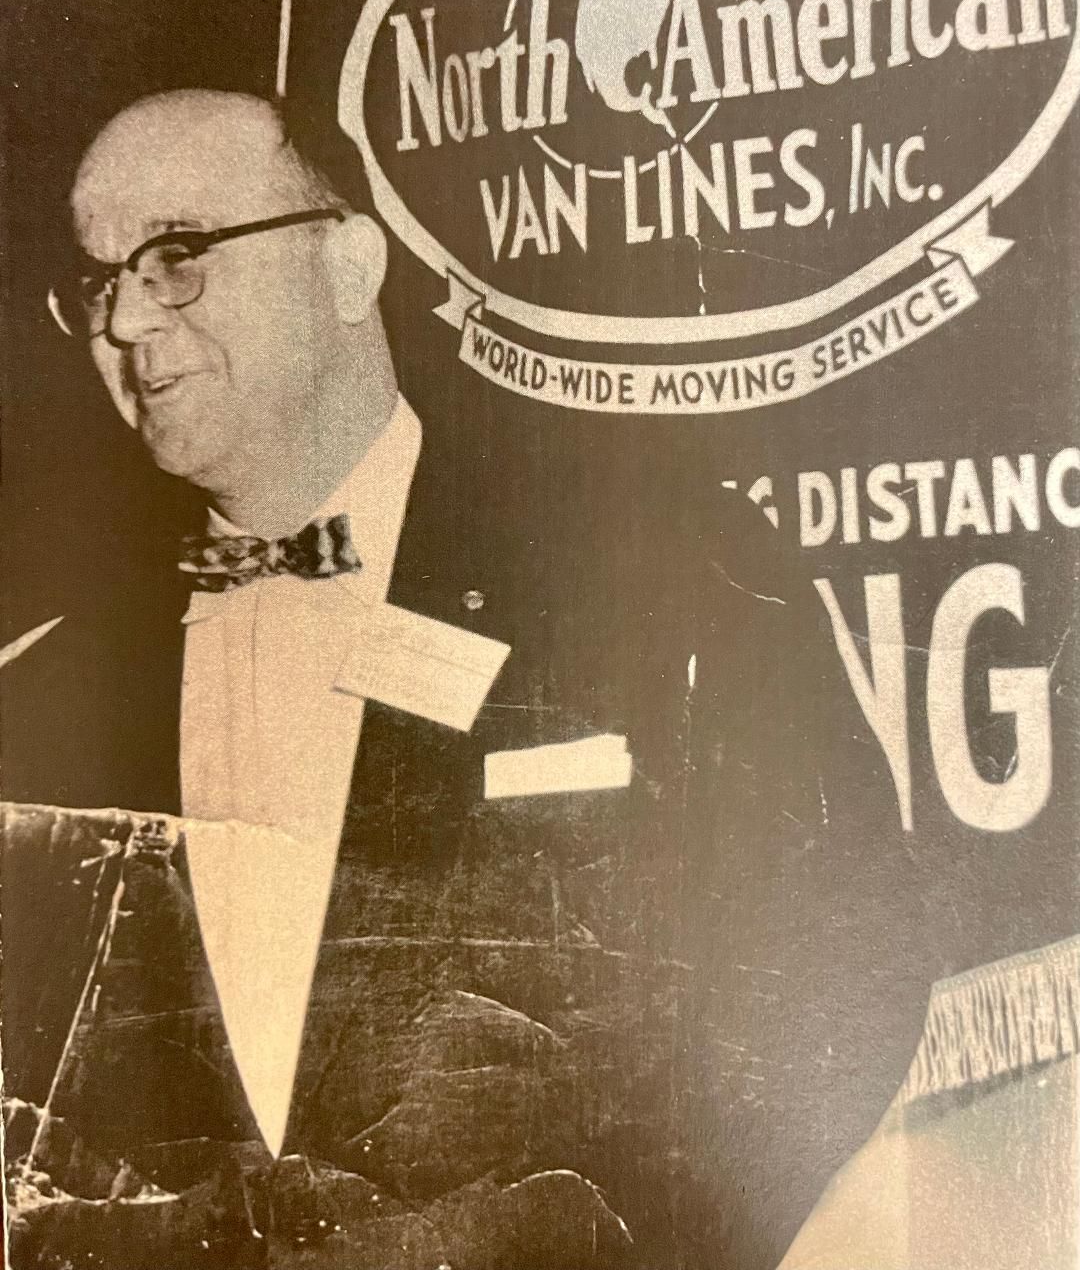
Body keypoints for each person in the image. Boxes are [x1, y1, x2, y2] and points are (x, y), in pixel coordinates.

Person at [1, 89, 930, 1270]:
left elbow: (841, 959)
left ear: (348, 268)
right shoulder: (42, 697)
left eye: (177, 257)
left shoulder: (653, 570)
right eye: (98, 280)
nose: (127, 317)